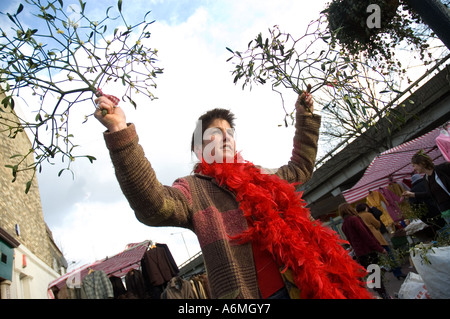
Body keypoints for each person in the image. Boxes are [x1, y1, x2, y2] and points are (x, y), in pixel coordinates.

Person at [94, 89, 373, 299]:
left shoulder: (262, 177)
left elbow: (300, 169)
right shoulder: (193, 190)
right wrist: (119, 131)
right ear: (198, 149)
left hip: (307, 283)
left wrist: (305, 119)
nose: (226, 136)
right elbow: (152, 205)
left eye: (229, 132)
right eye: (215, 133)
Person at [338, 203, 391, 299]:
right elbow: (366, 235)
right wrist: (379, 248)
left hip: (360, 253)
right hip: (367, 250)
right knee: (376, 274)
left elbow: (351, 240)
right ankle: (383, 294)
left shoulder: (344, 225)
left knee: (372, 274)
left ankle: (379, 290)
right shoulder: (355, 220)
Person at [355, 203, 406, 280]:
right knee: (390, 254)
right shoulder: (367, 214)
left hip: (368, 241)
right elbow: (377, 224)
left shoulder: (357, 218)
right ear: (365, 208)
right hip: (377, 238)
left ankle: (380, 279)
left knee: (377, 259)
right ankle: (397, 272)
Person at [402, 151, 450, 225]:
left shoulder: (442, 169)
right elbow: (429, 194)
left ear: (421, 164)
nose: (414, 168)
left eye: (414, 165)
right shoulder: (426, 178)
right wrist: (412, 194)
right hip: (445, 211)